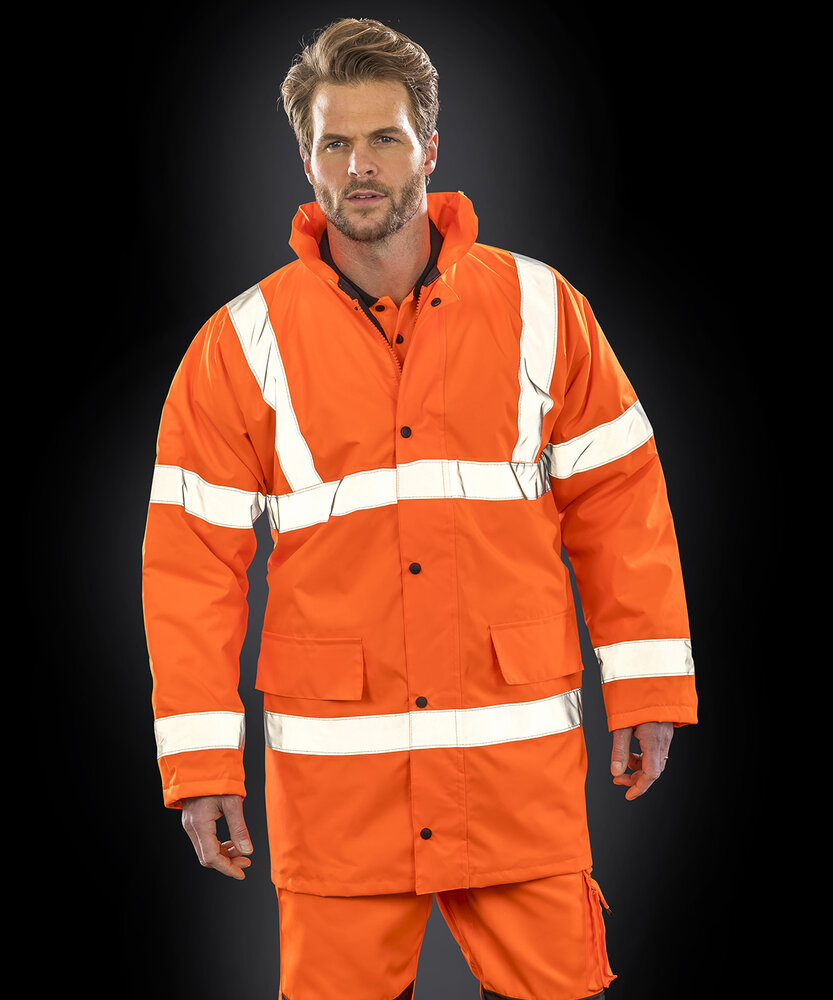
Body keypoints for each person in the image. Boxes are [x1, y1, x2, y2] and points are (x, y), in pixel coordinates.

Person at [142, 16, 698, 1000]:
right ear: (304, 159)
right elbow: (189, 567)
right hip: (340, 802)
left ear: (430, 148)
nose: (359, 165)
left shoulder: (541, 309)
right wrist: (202, 767)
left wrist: (646, 688)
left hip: (514, 780)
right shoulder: (240, 345)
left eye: (384, 138)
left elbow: (619, 500)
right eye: (334, 142)